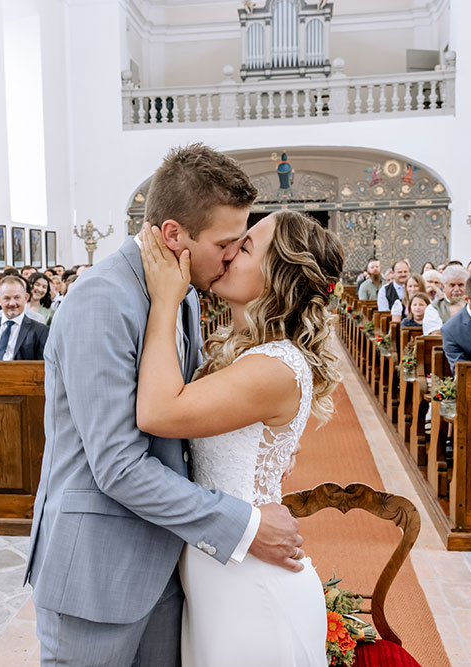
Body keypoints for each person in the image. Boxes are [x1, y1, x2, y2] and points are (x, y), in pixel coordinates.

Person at [26, 144, 305, 666]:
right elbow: (118, 465)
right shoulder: (102, 299)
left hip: (170, 562)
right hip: (98, 572)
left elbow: (176, 423)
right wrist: (242, 522)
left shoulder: (184, 291)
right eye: (225, 243)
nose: (229, 257)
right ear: (175, 234)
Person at [136, 211, 341, 666]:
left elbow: (156, 412)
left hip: (252, 584)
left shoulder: (274, 365)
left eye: (244, 247)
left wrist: (164, 301)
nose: (228, 253)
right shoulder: (244, 350)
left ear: (277, 279)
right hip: (217, 568)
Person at [0, 275, 49, 361]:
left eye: (17, 297)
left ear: (26, 298)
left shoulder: (40, 331)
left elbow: (42, 366)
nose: (12, 303)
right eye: (6, 298)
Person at [422, 265, 469, 335]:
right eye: (452, 285)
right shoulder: (433, 309)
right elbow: (435, 335)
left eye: (460, 285)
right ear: (443, 286)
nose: (456, 289)